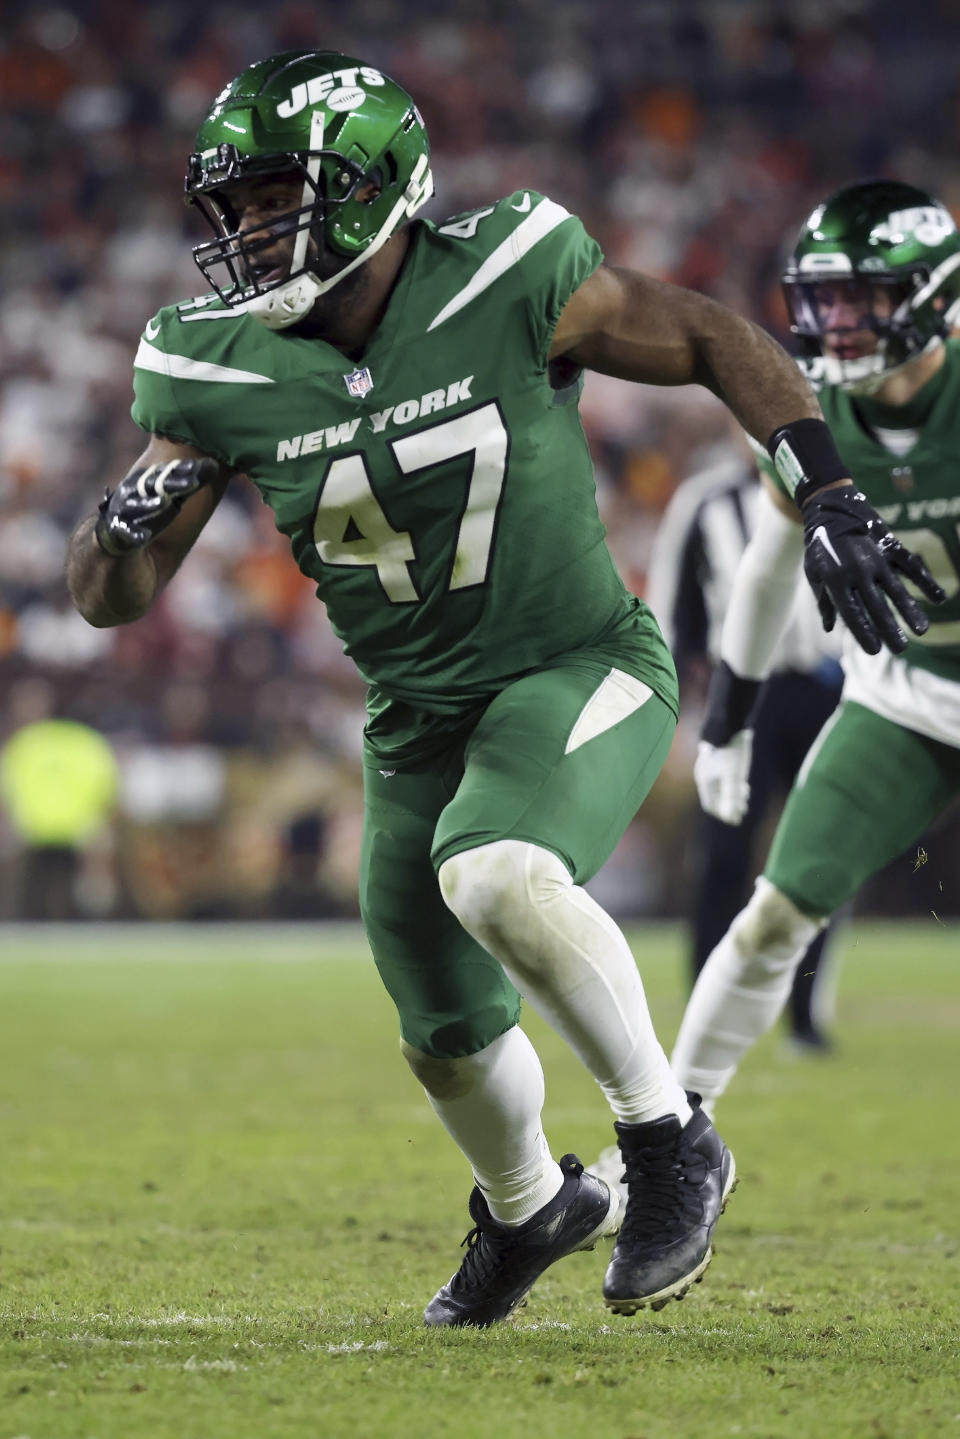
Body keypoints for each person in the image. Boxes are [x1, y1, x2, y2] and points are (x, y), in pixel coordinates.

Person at [64, 54, 939, 1328]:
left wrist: (832, 493)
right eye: (235, 209)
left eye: (272, 198)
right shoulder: (218, 369)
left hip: (576, 664)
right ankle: (533, 1204)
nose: (248, 232)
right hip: (414, 718)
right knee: (440, 1026)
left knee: (495, 872)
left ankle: (670, 1136)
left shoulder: (507, 269)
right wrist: (115, 524)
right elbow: (112, 596)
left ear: (374, 188)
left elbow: (707, 334)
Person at [671, 179, 960, 1114]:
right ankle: (665, 1149)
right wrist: (728, 723)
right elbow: (762, 570)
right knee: (771, 917)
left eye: (861, 299)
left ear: (929, 297)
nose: (835, 324)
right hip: (912, 695)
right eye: (822, 299)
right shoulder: (813, 412)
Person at [647, 442, 844, 1049]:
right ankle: (706, 1009)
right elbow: (673, 610)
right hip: (745, 695)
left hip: (828, 687)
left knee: (822, 860)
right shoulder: (705, 498)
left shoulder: (835, 485)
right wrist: (673, 712)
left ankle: (806, 1016)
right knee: (724, 856)